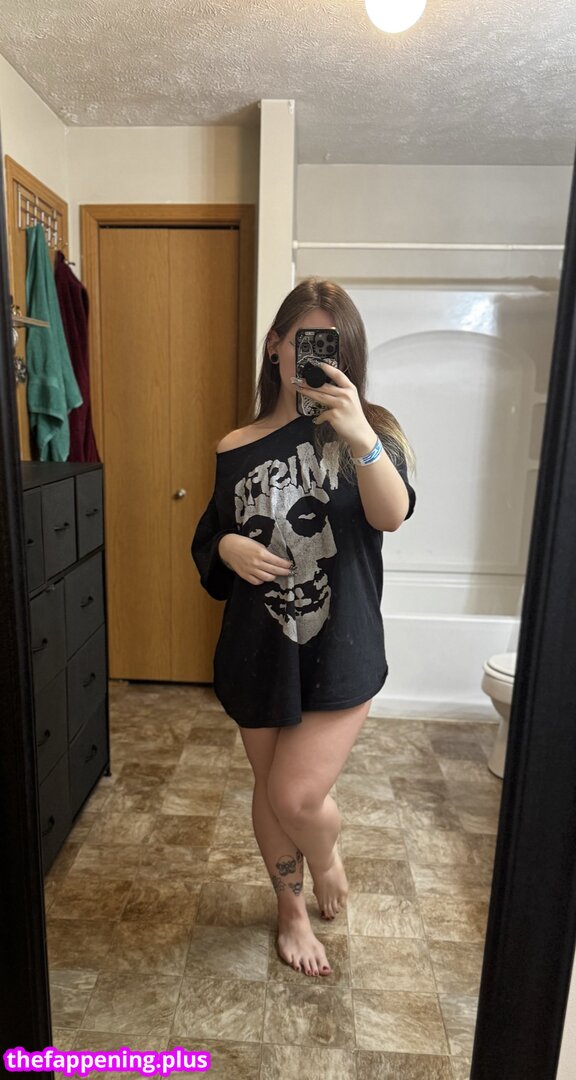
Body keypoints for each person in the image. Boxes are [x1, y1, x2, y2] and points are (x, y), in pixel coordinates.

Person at [191, 278, 415, 977]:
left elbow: (391, 514)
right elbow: (212, 537)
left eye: (336, 349)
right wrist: (229, 546)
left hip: (342, 643)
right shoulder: (236, 445)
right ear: (275, 345)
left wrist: (359, 436)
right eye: (308, 343)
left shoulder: (372, 433)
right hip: (258, 645)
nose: (320, 360)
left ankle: (325, 857)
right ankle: (289, 913)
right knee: (270, 791)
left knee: (297, 795)